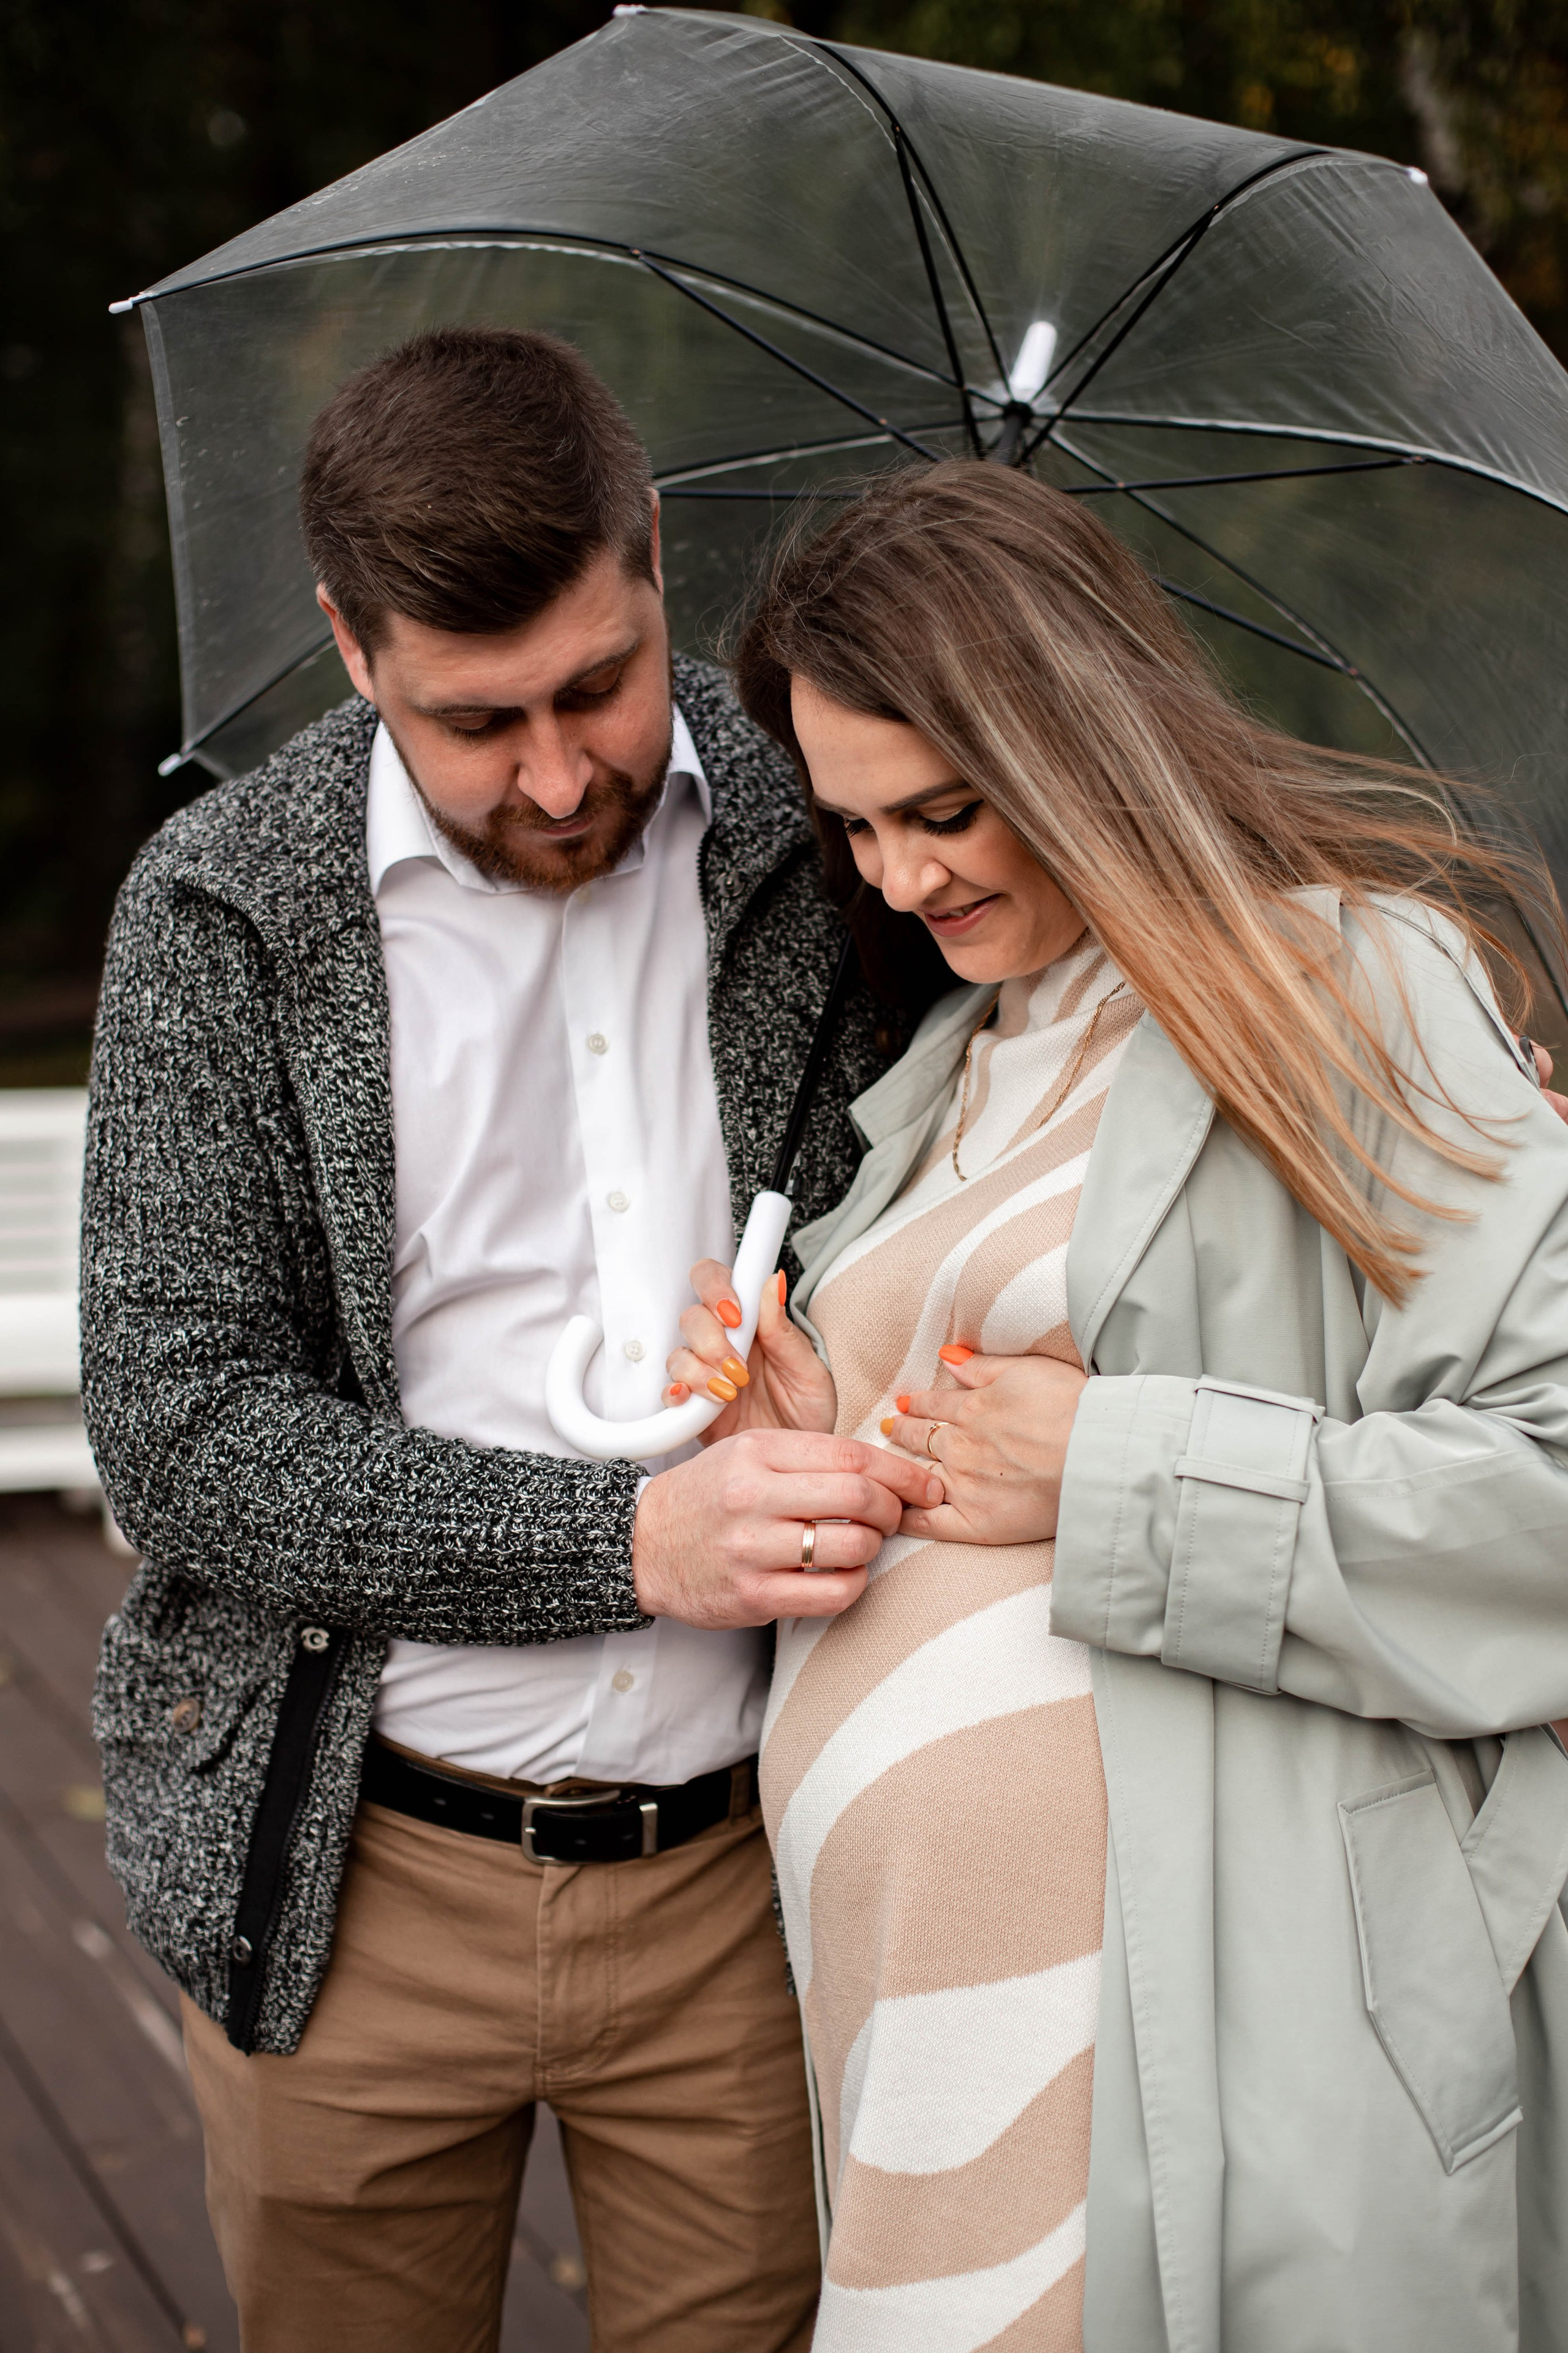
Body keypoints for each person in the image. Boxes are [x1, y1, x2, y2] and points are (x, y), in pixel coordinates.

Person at [78, 327, 942, 2353]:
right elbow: (186, 1432)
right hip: (351, 1877)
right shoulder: (221, 907)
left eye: (599, 685)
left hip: (756, 1881)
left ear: (654, 556)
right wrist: (627, 1545)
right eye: (478, 721)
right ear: (350, 644)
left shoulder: (834, 833)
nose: (559, 773)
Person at [668, 460, 1568, 2351]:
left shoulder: (1353, 990)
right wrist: (793, 1420)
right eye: (858, 828)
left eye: (946, 808)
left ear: (1079, 739)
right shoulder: (941, 1071)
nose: (903, 877)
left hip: (1216, 2041)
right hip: (917, 2037)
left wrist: (1120, 1474)